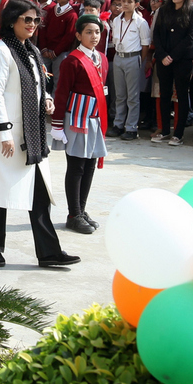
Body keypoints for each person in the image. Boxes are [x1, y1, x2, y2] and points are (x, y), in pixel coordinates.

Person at [0, 0, 79, 268]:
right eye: (26, 19)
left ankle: (49, 252)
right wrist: (3, 133)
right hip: (3, 132)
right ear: (11, 21)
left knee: (40, 194)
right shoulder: (0, 51)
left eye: (35, 20)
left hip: (31, 132)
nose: (32, 24)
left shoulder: (30, 50)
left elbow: (34, 85)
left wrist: (47, 100)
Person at [51, 14, 109, 235]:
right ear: (78, 35)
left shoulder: (102, 58)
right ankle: (73, 213)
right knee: (76, 167)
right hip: (76, 119)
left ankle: (82, 210)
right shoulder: (72, 61)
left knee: (90, 165)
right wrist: (57, 124)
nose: (94, 36)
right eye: (88, 32)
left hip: (94, 118)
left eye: (97, 32)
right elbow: (62, 92)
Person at [150, 0, 193, 147]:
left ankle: (178, 134)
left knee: (181, 95)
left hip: (182, 60)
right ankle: (164, 130)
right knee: (164, 95)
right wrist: (163, 55)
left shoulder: (192, 12)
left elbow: (191, 38)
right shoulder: (164, 11)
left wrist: (172, 56)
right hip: (163, 59)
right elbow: (156, 35)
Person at [109, 0, 151, 140]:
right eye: (123, 1)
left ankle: (131, 127)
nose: (125, 5)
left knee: (132, 95)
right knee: (119, 94)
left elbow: (145, 44)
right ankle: (118, 124)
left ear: (136, 4)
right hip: (118, 57)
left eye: (129, 2)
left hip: (133, 58)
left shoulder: (141, 22)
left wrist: (140, 60)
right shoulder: (116, 20)